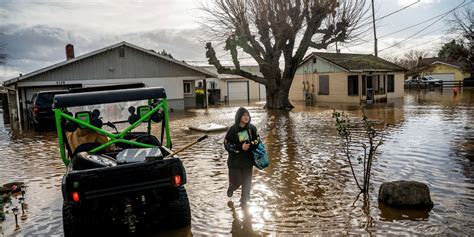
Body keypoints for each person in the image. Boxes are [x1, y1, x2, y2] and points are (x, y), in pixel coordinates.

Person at [224, 107, 260, 206]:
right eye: (244, 115)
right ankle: (232, 187)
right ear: (239, 116)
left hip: (248, 162)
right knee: (237, 182)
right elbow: (227, 144)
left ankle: (245, 207)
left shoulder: (252, 128)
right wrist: (240, 147)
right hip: (234, 163)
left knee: (247, 186)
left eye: (247, 115)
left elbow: (257, 140)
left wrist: (251, 144)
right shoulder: (233, 129)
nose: (246, 117)